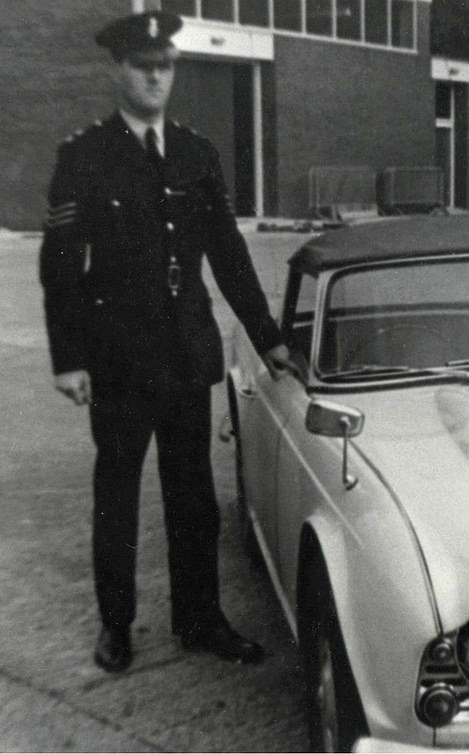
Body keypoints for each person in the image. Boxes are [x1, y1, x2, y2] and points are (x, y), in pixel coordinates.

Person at [38, 10, 297, 673]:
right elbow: (61, 265)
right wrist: (69, 359)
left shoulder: (194, 153)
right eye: (143, 65)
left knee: (194, 502)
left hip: (187, 358)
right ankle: (116, 625)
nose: (157, 76)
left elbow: (229, 255)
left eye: (166, 65)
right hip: (119, 363)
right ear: (117, 71)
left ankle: (199, 619)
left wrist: (267, 337)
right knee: (117, 500)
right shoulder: (84, 156)